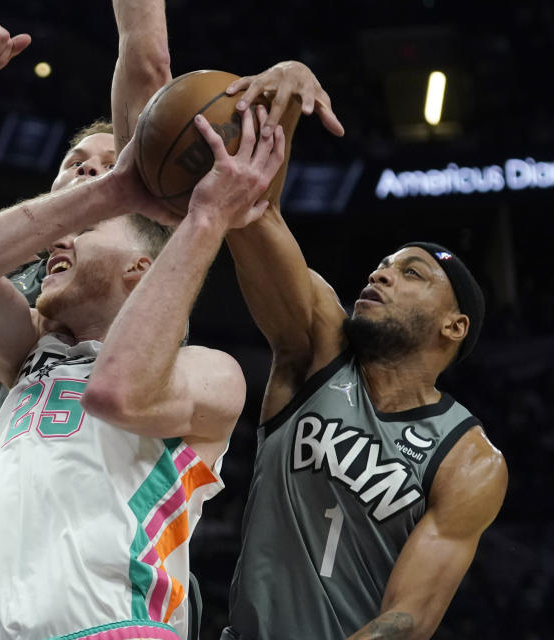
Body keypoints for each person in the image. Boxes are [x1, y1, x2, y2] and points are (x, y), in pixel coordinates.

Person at [0, 14, 287, 640]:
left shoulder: (187, 355)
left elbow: (148, 65)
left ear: (142, 260)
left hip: (106, 615)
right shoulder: (28, 312)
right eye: (75, 165)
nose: (93, 177)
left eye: (112, 168)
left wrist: (199, 210)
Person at [215, 67, 509, 639]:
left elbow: (409, 617)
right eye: (383, 264)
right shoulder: (318, 346)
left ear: (454, 325)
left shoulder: (469, 460)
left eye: (411, 272)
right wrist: (286, 106)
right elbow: (255, 217)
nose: (382, 274)